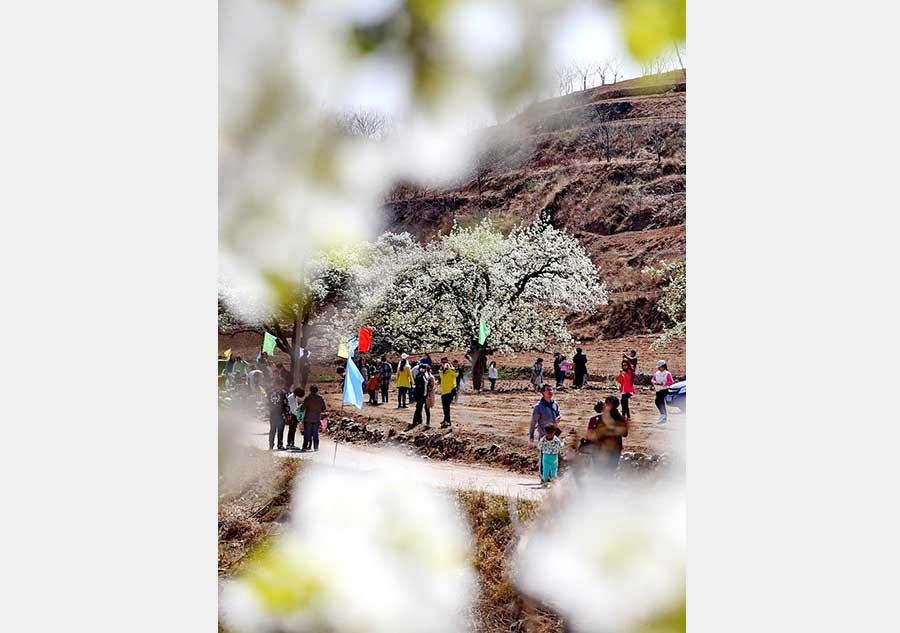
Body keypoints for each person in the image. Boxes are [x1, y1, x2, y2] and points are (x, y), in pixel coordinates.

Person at [583, 397, 629, 475]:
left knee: (600, 472)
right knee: (609, 472)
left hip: (601, 451)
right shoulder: (619, 420)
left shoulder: (596, 420)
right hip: (611, 450)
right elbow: (625, 434)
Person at [529, 384, 561, 480]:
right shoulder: (538, 407)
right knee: (544, 457)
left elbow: (558, 414)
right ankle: (544, 478)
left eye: (551, 389)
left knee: (554, 457)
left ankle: (552, 477)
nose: (550, 391)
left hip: (555, 435)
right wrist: (531, 435)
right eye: (548, 390)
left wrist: (558, 418)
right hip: (544, 436)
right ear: (543, 392)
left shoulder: (555, 404)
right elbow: (533, 422)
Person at [300, 385, 326, 451]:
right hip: (317, 418)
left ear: (310, 390)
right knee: (315, 433)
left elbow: (302, 408)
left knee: (307, 433)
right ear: (317, 390)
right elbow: (324, 408)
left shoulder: (308, 398)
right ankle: (316, 447)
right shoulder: (320, 398)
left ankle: (305, 446)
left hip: (308, 418)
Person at [266, 378, 289, 451]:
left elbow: (267, 403)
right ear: (281, 384)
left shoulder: (269, 393)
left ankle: (271, 445)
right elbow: (286, 404)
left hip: (272, 414)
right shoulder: (283, 393)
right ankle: (280, 445)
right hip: (280, 414)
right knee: (280, 430)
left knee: (272, 430)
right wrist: (287, 413)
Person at [439, 357, 458, 428]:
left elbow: (456, 374)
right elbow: (441, 376)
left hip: (450, 390)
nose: (445, 364)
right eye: (443, 362)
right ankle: (446, 419)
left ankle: (447, 421)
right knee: (444, 407)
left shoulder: (452, 369)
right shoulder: (441, 370)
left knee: (447, 407)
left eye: (446, 362)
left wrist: (449, 368)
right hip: (444, 391)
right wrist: (443, 369)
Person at [410, 362, 427, 428]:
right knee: (419, 407)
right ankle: (415, 420)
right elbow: (419, 386)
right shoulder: (420, 376)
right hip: (420, 394)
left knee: (419, 407)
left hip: (421, 394)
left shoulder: (422, 375)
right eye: (424, 369)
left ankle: (419, 420)